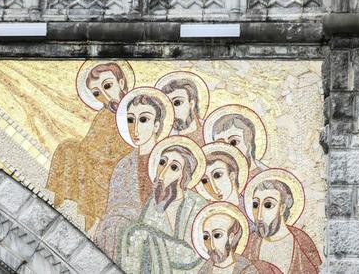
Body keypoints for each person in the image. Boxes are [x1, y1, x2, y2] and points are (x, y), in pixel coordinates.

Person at [46, 61, 133, 232]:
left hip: (122, 171)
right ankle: (60, 207)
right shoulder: (104, 116)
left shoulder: (137, 109)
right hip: (98, 167)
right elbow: (90, 144)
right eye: (97, 93)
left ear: (121, 83)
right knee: (68, 148)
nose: (105, 96)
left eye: (107, 86)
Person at [95, 88, 174, 258]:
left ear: (157, 125)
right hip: (124, 238)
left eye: (144, 119)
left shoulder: (171, 164)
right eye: (131, 120)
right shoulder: (124, 166)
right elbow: (113, 209)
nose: (135, 127)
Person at [118, 136, 208, 273]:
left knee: (139, 233)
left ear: (183, 176)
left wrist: (148, 236)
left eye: (174, 167)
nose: (164, 171)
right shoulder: (155, 200)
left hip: (186, 267)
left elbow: (194, 254)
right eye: (162, 162)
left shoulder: (196, 204)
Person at [243, 170, 322, 274]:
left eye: (268, 205)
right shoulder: (249, 243)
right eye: (255, 205)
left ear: (282, 208)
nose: (259, 215)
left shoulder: (301, 242)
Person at [192, 202, 282, 274]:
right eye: (206, 237)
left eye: (217, 235)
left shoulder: (248, 269)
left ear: (231, 237)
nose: (211, 244)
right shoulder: (204, 270)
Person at [156, 71, 210, 146]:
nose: (172, 110)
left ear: (192, 104)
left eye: (177, 103)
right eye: (167, 105)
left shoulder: (209, 132)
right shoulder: (167, 139)